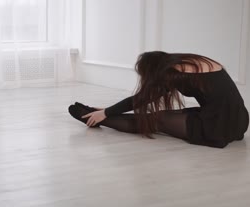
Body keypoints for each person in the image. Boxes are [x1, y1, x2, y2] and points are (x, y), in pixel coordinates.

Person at [68, 51, 249, 148]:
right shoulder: (191, 61)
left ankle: (94, 116)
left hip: (215, 127)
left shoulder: (175, 73)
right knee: (160, 116)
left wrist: (106, 112)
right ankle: (96, 112)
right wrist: (108, 108)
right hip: (239, 121)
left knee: (155, 120)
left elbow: (140, 99)